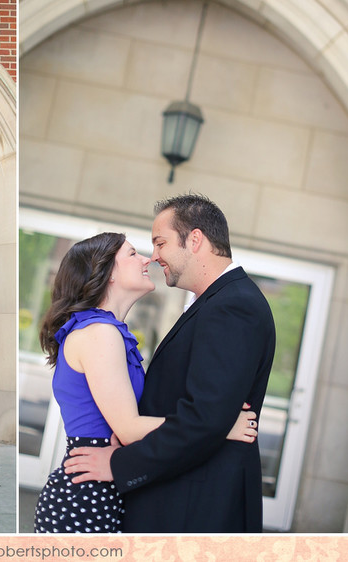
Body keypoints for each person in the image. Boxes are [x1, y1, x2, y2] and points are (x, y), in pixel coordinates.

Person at [64, 194, 276, 532]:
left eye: (160, 243)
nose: (155, 256)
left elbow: (204, 418)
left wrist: (120, 465)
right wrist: (219, 425)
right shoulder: (217, 302)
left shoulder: (233, 307)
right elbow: (209, 418)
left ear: (195, 239)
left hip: (196, 509)